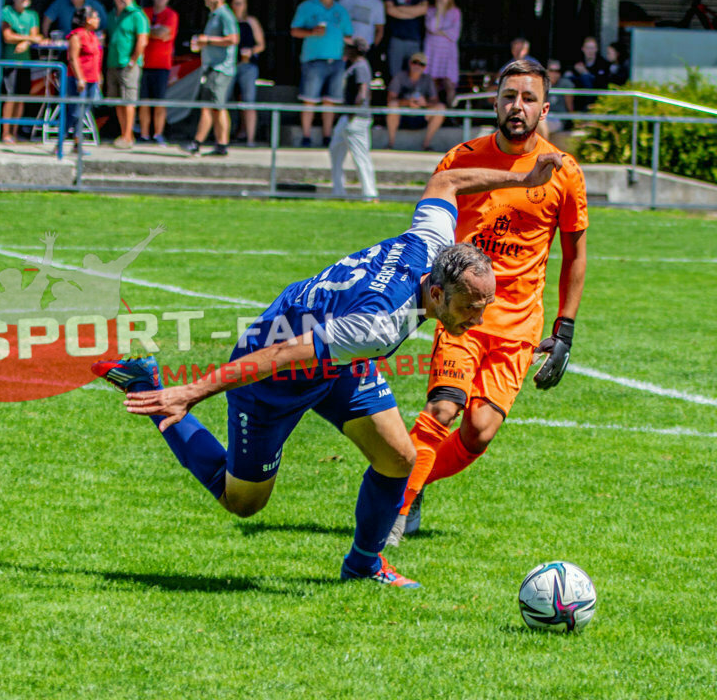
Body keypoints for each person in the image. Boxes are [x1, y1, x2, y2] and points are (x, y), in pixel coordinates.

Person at [93, 154, 563, 587]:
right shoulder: (379, 323)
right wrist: (189, 392)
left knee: (399, 458)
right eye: (470, 309)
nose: (478, 321)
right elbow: (280, 357)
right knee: (244, 502)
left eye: (484, 307)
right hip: (275, 367)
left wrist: (525, 179)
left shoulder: (433, 244)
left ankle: (364, 565)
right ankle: (150, 387)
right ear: (436, 295)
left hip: (336, 356)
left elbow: (447, 179)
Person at [386, 59, 588, 547]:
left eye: (527, 98)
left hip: (519, 324)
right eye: (508, 96)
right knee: (443, 409)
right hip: (460, 318)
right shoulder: (460, 159)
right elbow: (428, 229)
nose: (516, 106)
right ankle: (393, 513)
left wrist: (564, 331)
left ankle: (411, 477)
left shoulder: (564, 173)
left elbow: (575, 253)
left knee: (478, 432)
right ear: (494, 101)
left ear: (544, 108)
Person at [290, 0, 353, 147]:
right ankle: (306, 136)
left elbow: (348, 35)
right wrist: (311, 32)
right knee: (309, 99)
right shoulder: (306, 7)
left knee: (330, 101)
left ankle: (327, 136)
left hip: (337, 61)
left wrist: (348, 54)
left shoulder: (341, 10)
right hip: (313, 60)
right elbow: (294, 31)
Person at [181, 0, 239, 157]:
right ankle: (216, 145)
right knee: (212, 106)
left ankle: (201, 143)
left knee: (215, 106)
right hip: (212, 67)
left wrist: (207, 41)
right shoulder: (213, 15)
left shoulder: (224, 15)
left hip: (221, 69)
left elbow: (233, 39)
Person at [329, 40, 377, 199]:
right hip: (346, 117)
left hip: (355, 118)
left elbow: (362, 92)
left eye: (348, 48)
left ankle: (369, 194)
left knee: (361, 157)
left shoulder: (361, 66)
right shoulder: (353, 65)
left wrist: (352, 113)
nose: (345, 50)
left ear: (355, 50)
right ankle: (338, 191)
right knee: (335, 151)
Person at [105, 0, 149, 149]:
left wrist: (133, 60)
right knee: (117, 101)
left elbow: (142, 40)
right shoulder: (112, 15)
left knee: (129, 100)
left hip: (128, 65)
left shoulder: (137, 15)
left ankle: (128, 135)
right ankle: (123, 133)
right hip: (113, 62)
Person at [0, 0, 44, 144]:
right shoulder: (7, 12)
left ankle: (15, 132)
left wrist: (26, 42)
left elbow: (36, 36)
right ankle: (5, 133)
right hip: (11, 61)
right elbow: (7, 36)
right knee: (10, 97)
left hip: (25, 62)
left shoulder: (32, 15)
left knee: (21, 98)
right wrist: (27, 39)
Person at [138, 0, 179, 145]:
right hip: (143, 63)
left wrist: (148, 30)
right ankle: (144, 134)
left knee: (160, 101)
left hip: (162, 64)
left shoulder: (171, 15)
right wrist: (154, 30)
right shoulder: (144, 13)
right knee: (144, 101)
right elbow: (139, 32)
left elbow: (164, 33)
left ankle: (158, 134)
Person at [385, 51, 446, 151]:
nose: (417, 66)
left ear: (425, 67)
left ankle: (426, 145)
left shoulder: (428, 79)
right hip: (402, 116)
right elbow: (390, 99)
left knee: (440, 108)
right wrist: (407, 102)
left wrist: (424, 103)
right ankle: (391, 143)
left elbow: (435, 101)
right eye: (415, 62)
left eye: (421, 64)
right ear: (410, 63)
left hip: (421, 116)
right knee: (392, 105)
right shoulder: (400, 77)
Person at [229, 0, 266, 147]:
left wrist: (250, 51)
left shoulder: (251, 22)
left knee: (248, 102)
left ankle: (250, 139)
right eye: (236, 3)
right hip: (229, 66)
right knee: (225, 102)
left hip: (247, 66)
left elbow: (261, 45)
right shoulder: (228, 21)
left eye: (241, 3)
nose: (238, 6)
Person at [66, 6, 103, 154]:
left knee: (83, 112)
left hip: (92, 79)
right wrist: (80, 78)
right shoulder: (77, 35)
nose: (98, 20)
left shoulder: (93, 36)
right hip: (79, 80)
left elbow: (96, 57)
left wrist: (99, 76)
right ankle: (60, 142)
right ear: (88, 19)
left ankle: (77, 143)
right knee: (74, 112)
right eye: (95, 17)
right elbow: (73, 58)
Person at [384, 0, 428, 77]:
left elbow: (424, 9)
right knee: (394, 75)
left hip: (414, 38)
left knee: (414, 75)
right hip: (396, 38)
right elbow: (390, 10)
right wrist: (413, 12)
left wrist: (401, 10)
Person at [339, 0, 385, 69]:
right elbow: (337, 20)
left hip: (365, 48)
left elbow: (380, 29)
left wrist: (372, 47)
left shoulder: (378, 3)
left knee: (362, 80)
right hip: (345, 46)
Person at [424, 0, 461, 106]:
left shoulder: (455, 12)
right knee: (432, 82)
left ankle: (452, 113)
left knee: (449, 82)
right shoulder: (430, 11)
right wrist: (439, 12)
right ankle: (433, 111)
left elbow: (454, 34)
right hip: (432, 50)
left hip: (448, 52)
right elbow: (431, 27)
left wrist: (439, 31)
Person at [42, 0, 108, 40]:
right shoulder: (61, 2)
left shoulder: (95, 5)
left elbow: (104, 27)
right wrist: (46, 37)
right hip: (64, 46)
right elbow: (47, 19)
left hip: (88, 46)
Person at [536, 59, 568, 139]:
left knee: (541, 123)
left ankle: (544, 149)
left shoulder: (565, 84)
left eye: (557, 71)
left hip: (559, 119)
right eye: (551, 70)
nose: (554, 73)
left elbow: (570, 107)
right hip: (545, 116)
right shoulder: (542, 84)